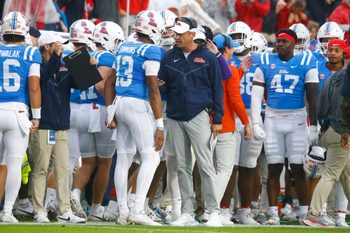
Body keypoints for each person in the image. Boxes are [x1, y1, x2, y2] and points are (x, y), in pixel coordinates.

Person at [158, 16, 224, 227]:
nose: (176, 37)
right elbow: (165, 88)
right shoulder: (169, 57)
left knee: (205, 165)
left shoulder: (207, 57)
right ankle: (187, 211)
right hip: (176, 116)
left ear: (192, 34)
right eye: (175, 33)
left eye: (180, 34)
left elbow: (217, 89)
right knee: (183, 166)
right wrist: (160, 87)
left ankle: (214, 211)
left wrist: (218, 119)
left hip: (199, 115)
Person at [250, 29, 319, 225]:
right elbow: (256, 97)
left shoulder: (306, 62)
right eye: (277, 41)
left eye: (283, 42)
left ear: (293, 44)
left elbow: (313, 97)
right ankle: (273, 213)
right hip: (272, 119)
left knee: (298, 167)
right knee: (274, 168)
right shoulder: (265, 61)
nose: (279, 44)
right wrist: (256, 122)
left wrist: (313, 124)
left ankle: (304, 212)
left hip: (297, 119)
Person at [104, 10, 165, 226]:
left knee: (123, 158)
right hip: (136, 104)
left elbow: (110, 82)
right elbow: (152, 88)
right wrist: (159, 124)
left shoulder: (123, 47)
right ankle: (137, 208)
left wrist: (110, 110)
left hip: (119, 102)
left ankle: (122, 211)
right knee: (152, 157)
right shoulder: (151, 50)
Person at [29, 30, 86, 224]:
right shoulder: (37, 65)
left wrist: (86, 67)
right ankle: (39, 209)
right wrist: (57, 57)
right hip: (44, 124)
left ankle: (64, 210)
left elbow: (80, 84)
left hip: (62, 125)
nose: (62, 47)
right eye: (57, 44)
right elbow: (45, 77)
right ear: (47, 47)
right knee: (40, 168)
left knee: (63, 168)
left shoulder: (61, 65)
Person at [69, 21, 121, 222]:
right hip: (99, 111)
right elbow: (101, 86)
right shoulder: (107, 56)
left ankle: (75, 192)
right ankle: (96, 209)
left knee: (87, 162)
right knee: (105, 164)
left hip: (81, 109)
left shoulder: (84, 55)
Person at [303, 39, 350, 227]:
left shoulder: (332, 78)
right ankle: (313, 214)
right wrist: (346, 130)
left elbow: (320, 107)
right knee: (331, 174)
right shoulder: (345, 77)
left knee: (347, 174)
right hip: (343, 132)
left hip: (328, 131)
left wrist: (322, 128)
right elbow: (347, 105)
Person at [0, 11, 42, 223]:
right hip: (17, 111)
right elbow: (34, 87)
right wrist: (37, 116)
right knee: (14, 164)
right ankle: (7, 212)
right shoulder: (30, 53)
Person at [212, 33, 252, 225]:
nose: (233, 51)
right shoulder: (229, 69)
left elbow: (227, 85)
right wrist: (246, 122)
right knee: (225, 169)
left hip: (205, 123)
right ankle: (213, 211)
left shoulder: (205, 66)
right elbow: (234, 98)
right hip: (225, 125)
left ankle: (199, 208)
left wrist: (241, 72)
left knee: (206, 169)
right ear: (226, 49)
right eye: (231, 48)